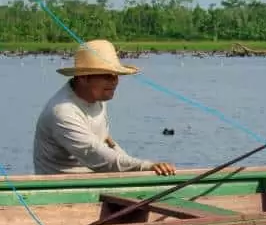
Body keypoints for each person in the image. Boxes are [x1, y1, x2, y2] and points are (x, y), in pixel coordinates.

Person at [32, 39, 176, 176]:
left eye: (116, 75)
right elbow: (95, 153)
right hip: (62, 186)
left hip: (96, 181)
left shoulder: (97, 98)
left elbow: (106, 142)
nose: (114, 81)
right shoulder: (63, 112)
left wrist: (136, 163)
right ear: (83, 78)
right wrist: (144, 166)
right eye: (107, 75)